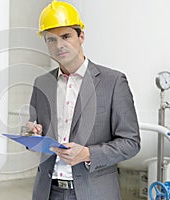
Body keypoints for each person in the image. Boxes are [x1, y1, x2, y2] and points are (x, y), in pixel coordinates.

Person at [26, 1, 141, 199]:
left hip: (94, 192)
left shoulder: (112, 82)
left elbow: (131, 142)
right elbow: (35, 137)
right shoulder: (41, 83)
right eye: (51, 40)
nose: (59, 45)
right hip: (47, 191)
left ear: (81, 36)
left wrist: (88, 153)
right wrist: (30, 135)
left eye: (65, 36)